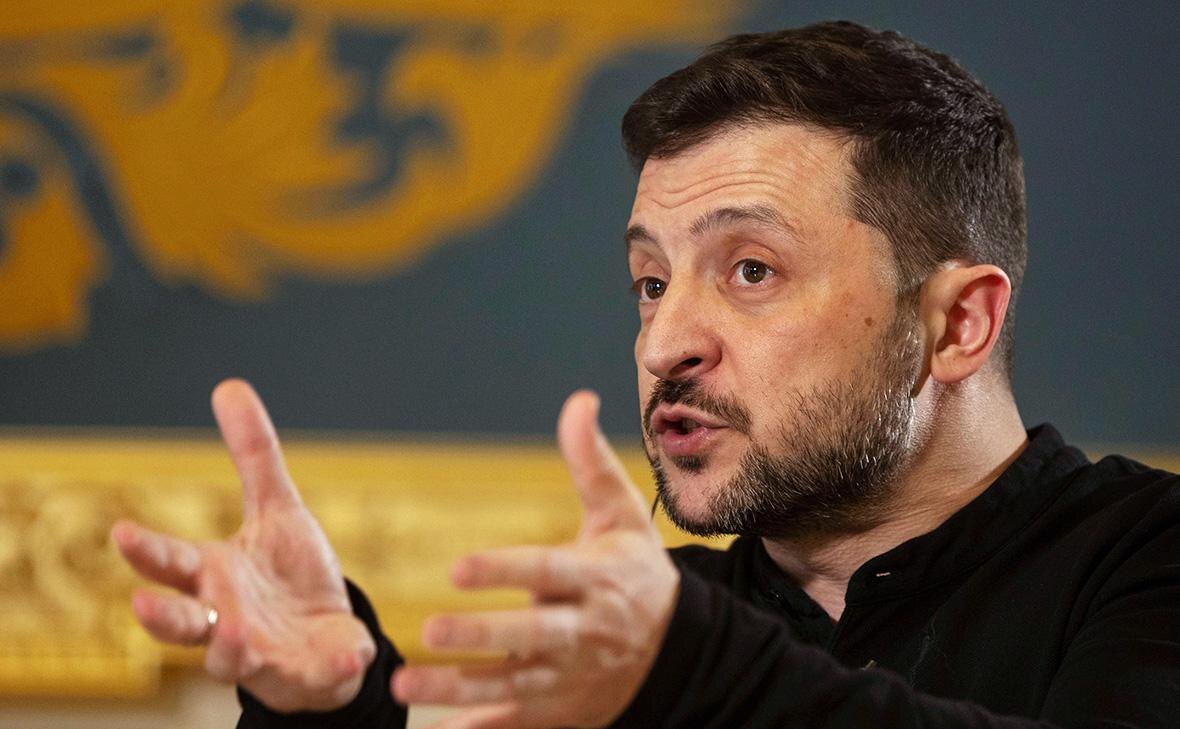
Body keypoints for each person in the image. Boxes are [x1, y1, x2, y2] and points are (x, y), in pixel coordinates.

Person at [111, 20, 1180, 729]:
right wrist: (331, 713)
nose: (665, 341)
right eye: (650, 282)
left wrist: (692, 670)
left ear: (957, 323)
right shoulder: (654, 621)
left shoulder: (1146, 556)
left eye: (750, 270)